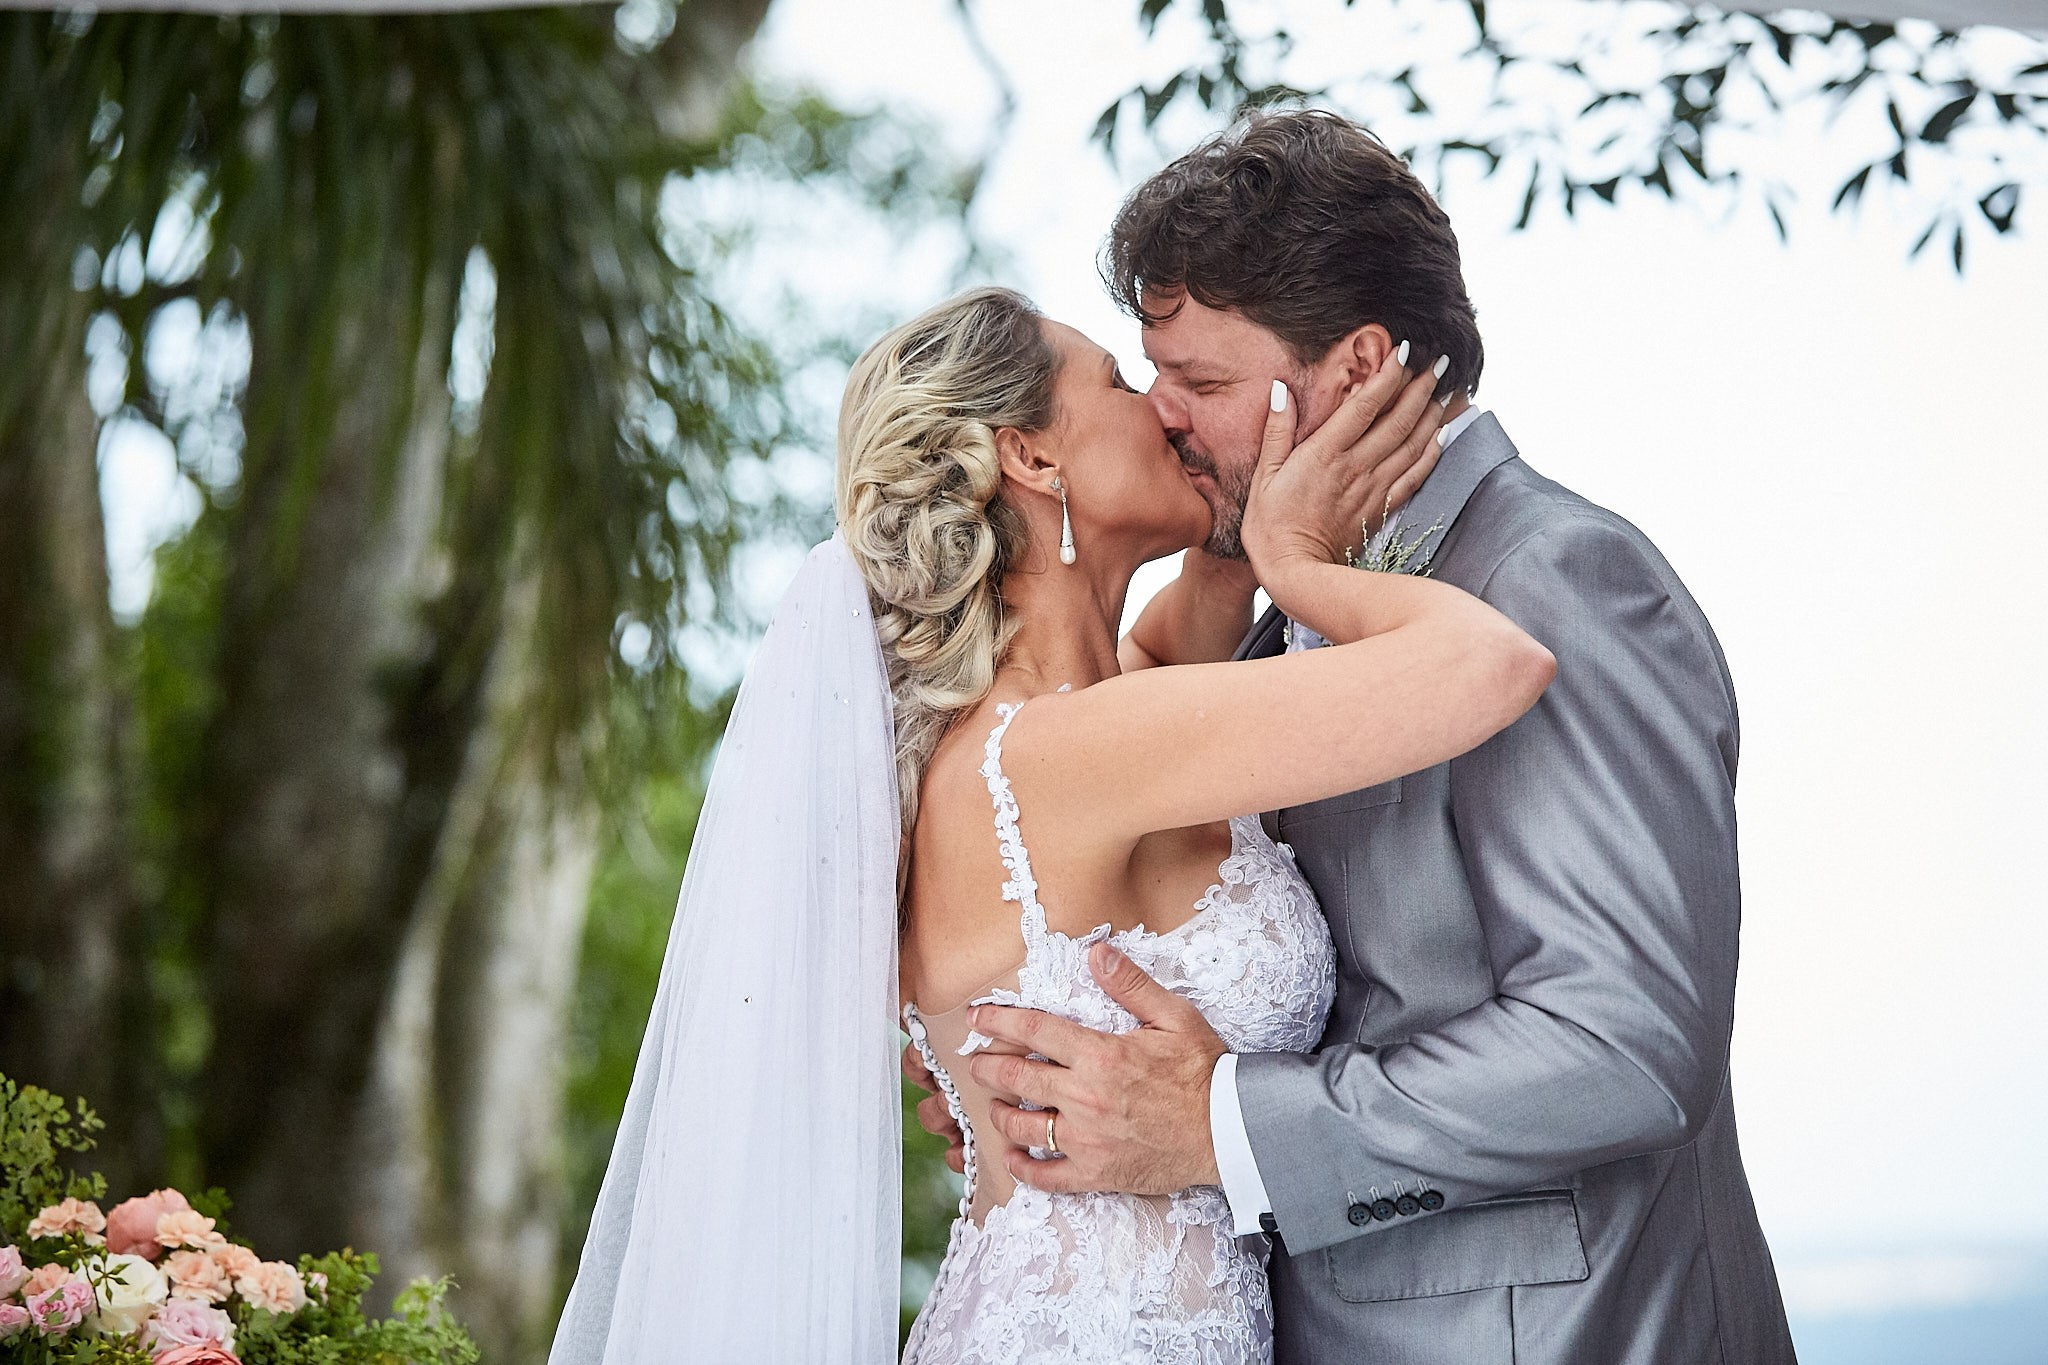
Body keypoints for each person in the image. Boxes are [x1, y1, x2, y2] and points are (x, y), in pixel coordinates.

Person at [910, 108, 1799, 1364]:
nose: (1162, 420)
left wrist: (1219, 1125)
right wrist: (1022, 1078)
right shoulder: (1277, 640)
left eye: (1203, 385)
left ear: (1357, 367)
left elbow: (1622, 1045)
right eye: (1149, 380)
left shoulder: (1558, 581)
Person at [546, 284, 1554, 1364]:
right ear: (1029, 458)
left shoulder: (1072, 723)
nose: (1165, 410)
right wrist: (1296, 557)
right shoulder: (1066, 754)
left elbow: (1174, 640)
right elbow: (1491, 662)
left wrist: (1237, 512)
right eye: (1123, 384)